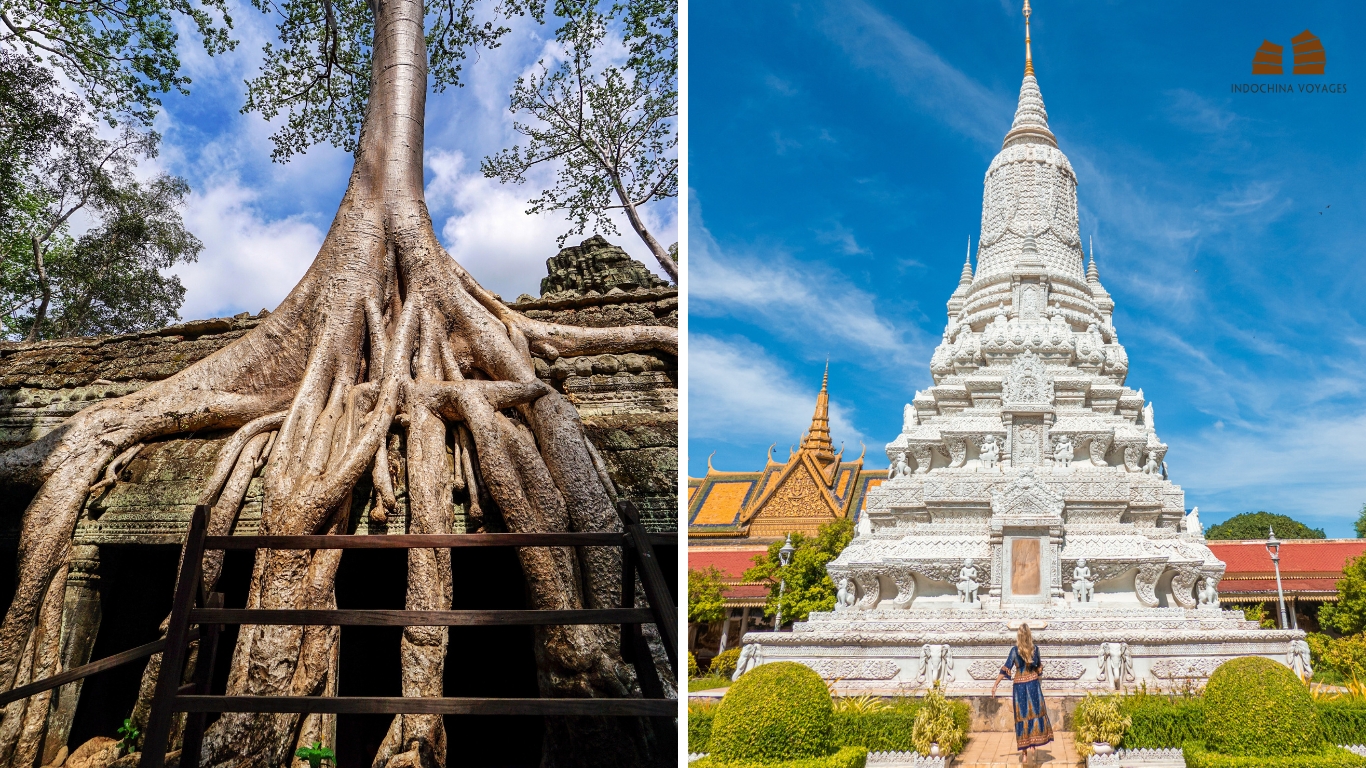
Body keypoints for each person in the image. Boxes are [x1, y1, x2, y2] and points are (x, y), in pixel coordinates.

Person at [991, 623, 1054, 763]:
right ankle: (1033, 745)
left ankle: (1024, 753)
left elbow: (1006, 669)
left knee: (1022, 716)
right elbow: (1039, 668)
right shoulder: (1035, 649)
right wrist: (1036, 674)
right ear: (1030, 635)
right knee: (1035, 714)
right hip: (1032, 685)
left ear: (1019, 636)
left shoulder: (1014, 651)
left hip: (1019, 687)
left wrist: (995, 684)